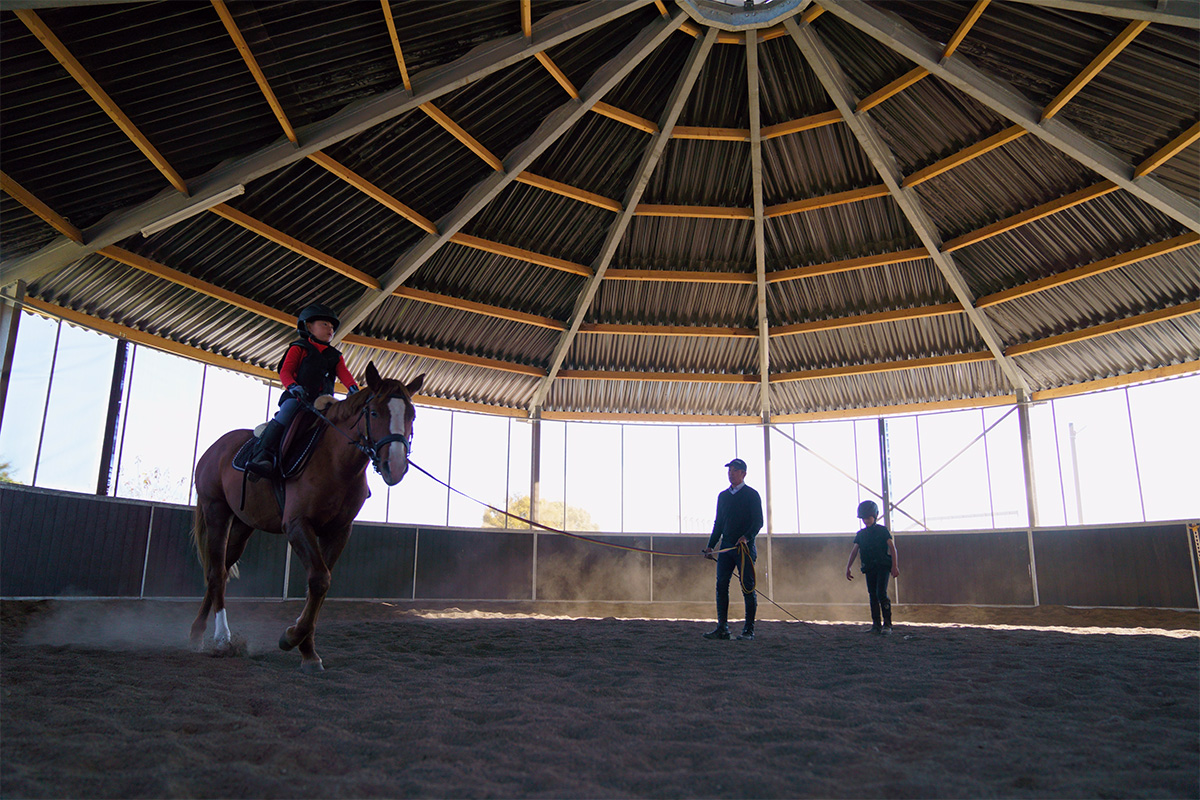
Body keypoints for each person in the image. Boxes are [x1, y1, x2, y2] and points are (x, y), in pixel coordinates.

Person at [247, 304, 360, 475]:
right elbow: (286, 371)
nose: (330, 329)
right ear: (309, 327)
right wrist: (293, 387)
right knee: (287, 412)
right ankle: (262, 455)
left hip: (324, 401)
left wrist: (353, 389)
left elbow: (344, 374)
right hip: (298, 398)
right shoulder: (298, 347)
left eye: (332, 327)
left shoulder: (335, 355)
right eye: (325, 324)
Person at [701, 458, 763, 641]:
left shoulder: (752, 495)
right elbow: (718, 523)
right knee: (721, 585)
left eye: (735, 470)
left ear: (743, 473)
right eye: (730, 470)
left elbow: (758, 522)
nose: (731, 473)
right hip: (726, 547)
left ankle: (748, 629)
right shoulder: (723, 496)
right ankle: (722, 627)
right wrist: (711, 545)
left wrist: (747, 536)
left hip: (744, 549)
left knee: (748, 587)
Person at [844, 500, 899, 635]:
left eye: (868, 518)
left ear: (875, 516)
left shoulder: (882, 531)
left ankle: (887, 624)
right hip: (869, 567)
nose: (866, 521)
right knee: (872, 595)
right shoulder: (861, 534)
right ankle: (876, 625)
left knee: (881, 593)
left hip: (882, 566)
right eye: (864, 518)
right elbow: (854, 551)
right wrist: (848, 567)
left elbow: (892, 548)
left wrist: (894, 566)